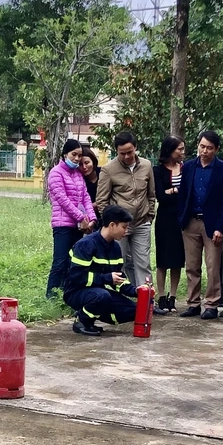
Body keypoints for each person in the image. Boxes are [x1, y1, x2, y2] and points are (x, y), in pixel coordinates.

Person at [178, 130, 223, 319]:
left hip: (212, 223)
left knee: (212, 266)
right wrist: (182, 218)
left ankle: (212, 304)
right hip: (191, 221)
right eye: (202, 146)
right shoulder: (188, 167)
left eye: (209, 148)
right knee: (192, 265)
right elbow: (183, 194)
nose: (204, 151)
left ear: (216, 149)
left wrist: (221, 227)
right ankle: (193, 303)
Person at [97, 131, 158, 290]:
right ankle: (122, 299)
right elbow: (102, 200)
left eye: (129, 152)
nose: (126, 157)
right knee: (120, 262)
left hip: (142, 223)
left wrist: (150, 215)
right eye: (121, 153)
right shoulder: (108, 170)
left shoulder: (146, 165)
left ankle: (146, 301)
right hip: (118, 226)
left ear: (135, 148)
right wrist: (112, 224)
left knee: (143, 264)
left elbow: (151, 194)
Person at [66, 204, 139, 336]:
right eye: (124, 227)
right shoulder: (86, 245)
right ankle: (82, 320)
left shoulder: (115, 248)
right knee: (101, 296)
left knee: (135, 310)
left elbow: (117, 278)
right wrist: (107, 278)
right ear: (112, 225)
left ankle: (92, 316)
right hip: (75, 291)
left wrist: (137, 291)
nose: (126, 231)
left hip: (97, 291)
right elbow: (77, 278)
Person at [47, 138, 96, 298]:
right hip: (62, 225)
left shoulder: (77, 175)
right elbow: (63, 200)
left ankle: (68, 295)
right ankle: (51, 296)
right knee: (60, 262)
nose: (76, 158)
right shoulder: (55, 173)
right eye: (73, 154)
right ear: (65, 154)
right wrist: (81, 217)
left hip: (78, 226)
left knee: (72, 262)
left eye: (79, 156)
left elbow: (85, 198)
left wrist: (92, 218)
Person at [151, 136, 187, 314]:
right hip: (165, 218)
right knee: (163, 259)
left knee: (177, 259)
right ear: (169, 150)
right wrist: (174, 191)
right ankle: (161, 295)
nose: (182, 152)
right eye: (179, 149)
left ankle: (173, 296)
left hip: (182, 218)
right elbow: (161, 196)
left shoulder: (186, 168)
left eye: (183, 149)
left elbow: (187, 193)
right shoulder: (158, 170)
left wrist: (172, 191)